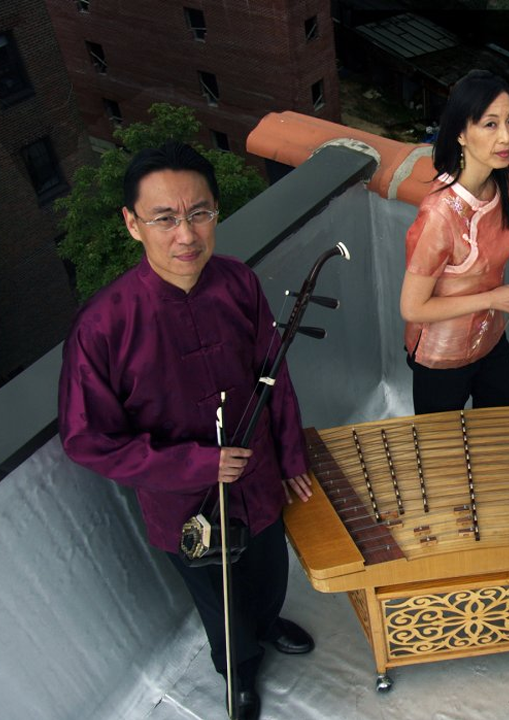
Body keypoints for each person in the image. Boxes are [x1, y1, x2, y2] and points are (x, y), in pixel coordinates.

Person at [58, 141, 315, 720]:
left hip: (260, 478)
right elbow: (85, 439)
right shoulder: (102, 326)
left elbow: (276, 375)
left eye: (199, 213)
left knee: (271, 566)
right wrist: (195, 464)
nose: (186, 235)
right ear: (132, 224)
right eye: (165, 218)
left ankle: (270, 624)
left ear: (216, 212)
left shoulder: (238, 283)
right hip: (185, 507)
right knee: (218, 598)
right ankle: (240, 673)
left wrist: (293, 457)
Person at [400, 69, 509, 414]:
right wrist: (491, 297)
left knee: (505, 432)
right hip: (440, 357)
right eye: (490, 124)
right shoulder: (439, 215)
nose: (506, 137)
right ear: (460, 133)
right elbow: (412, 308)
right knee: (441, 453)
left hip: (490, 340)